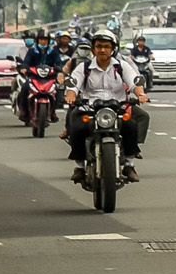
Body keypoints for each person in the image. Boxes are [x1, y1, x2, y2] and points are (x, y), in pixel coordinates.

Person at [63, 29, 149, 183]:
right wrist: (71, 94)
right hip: (89, 109)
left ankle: (129, 164)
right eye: (99, 46)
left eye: (107, 46)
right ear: (93, 49)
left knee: (131, 126)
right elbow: (73, 83)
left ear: (113, 48)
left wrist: (140, 94)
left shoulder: (122, 66)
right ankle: (79, 167)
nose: (103, 50)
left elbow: (134, 81)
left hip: (117, 108)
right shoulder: (84, 67)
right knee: (76, 127)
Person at [14, 29, 60, 121]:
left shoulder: (53, 51)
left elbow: (58, 62)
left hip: (49, 78)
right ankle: (24, 111)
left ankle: (53, 112)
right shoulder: (32, 51)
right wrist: (24, 68)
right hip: (34, 77)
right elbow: (27, 61)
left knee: (58, 89)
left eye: (45, 40)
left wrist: (59, 69)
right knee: (24, 88)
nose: (43, 42)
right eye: (41, 39)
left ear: (48, 41)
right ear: (37, 40)